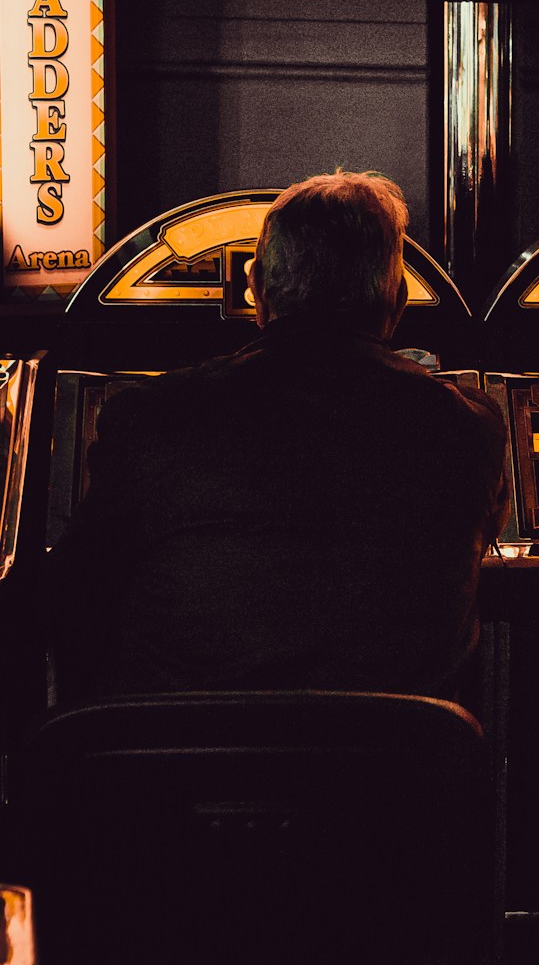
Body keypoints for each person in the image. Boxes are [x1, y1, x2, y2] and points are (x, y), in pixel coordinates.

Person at [47, 170, 508, 702]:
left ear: (258, 290)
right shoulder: (469, 429)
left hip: (188, 769)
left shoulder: (150, 418)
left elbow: (72, 597)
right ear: (398, 299)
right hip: (392, 773)